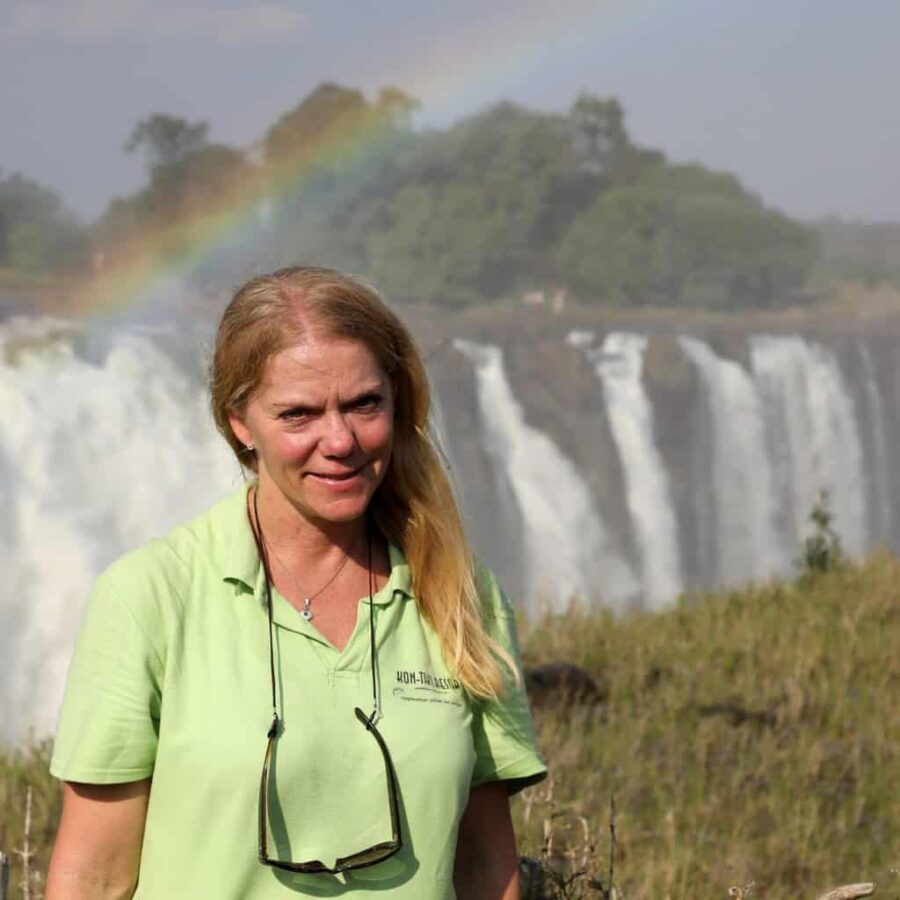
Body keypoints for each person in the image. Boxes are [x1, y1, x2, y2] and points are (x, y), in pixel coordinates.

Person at [46, 266, 547, 899]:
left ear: (398, 403)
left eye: (364, 404)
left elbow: (486, 868)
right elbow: (93, 878)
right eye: (298, 414)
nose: (338, 440)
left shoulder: (458, 596)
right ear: (239, 423)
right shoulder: (149, 597)